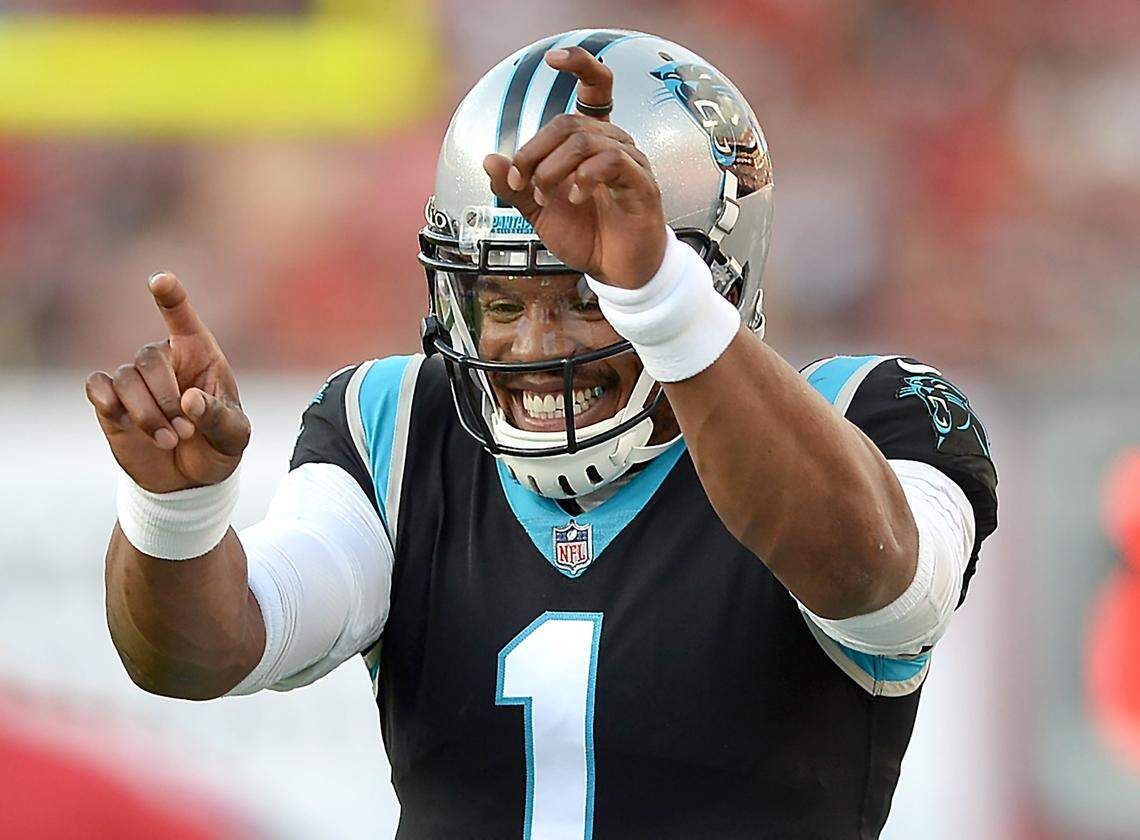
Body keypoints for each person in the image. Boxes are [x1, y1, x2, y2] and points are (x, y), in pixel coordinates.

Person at [86, 30, 998, 839]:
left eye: (584, 297)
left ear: (704, 279)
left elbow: (880, 581)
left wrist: (656, 298)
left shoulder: (872, 413)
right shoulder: (399, 427)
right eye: (500, 301)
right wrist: (178, 514)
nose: (531, 347)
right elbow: (203, 652)